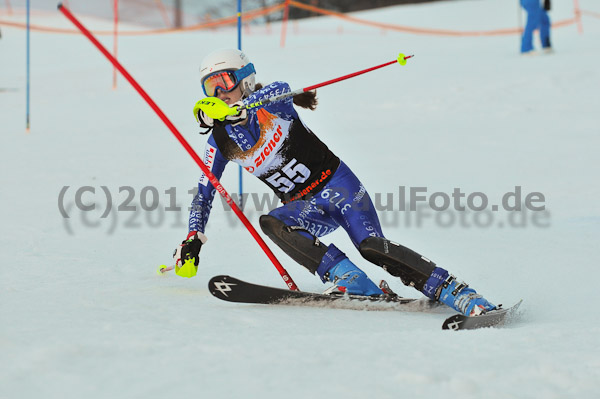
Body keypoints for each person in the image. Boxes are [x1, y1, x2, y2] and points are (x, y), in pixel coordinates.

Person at [172, 48, 496, 316]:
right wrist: (193, 237)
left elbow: (278, 88)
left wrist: (245, 110)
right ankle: (350, 279)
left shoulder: (273, 102)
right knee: (272, 222)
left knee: (372, 247)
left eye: (225, 81)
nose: (219, 92)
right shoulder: (219, 143)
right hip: (306, 208)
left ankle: (459, 293)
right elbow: (204, 194)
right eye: (210, 87)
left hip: (339, 187)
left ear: (245, 79)